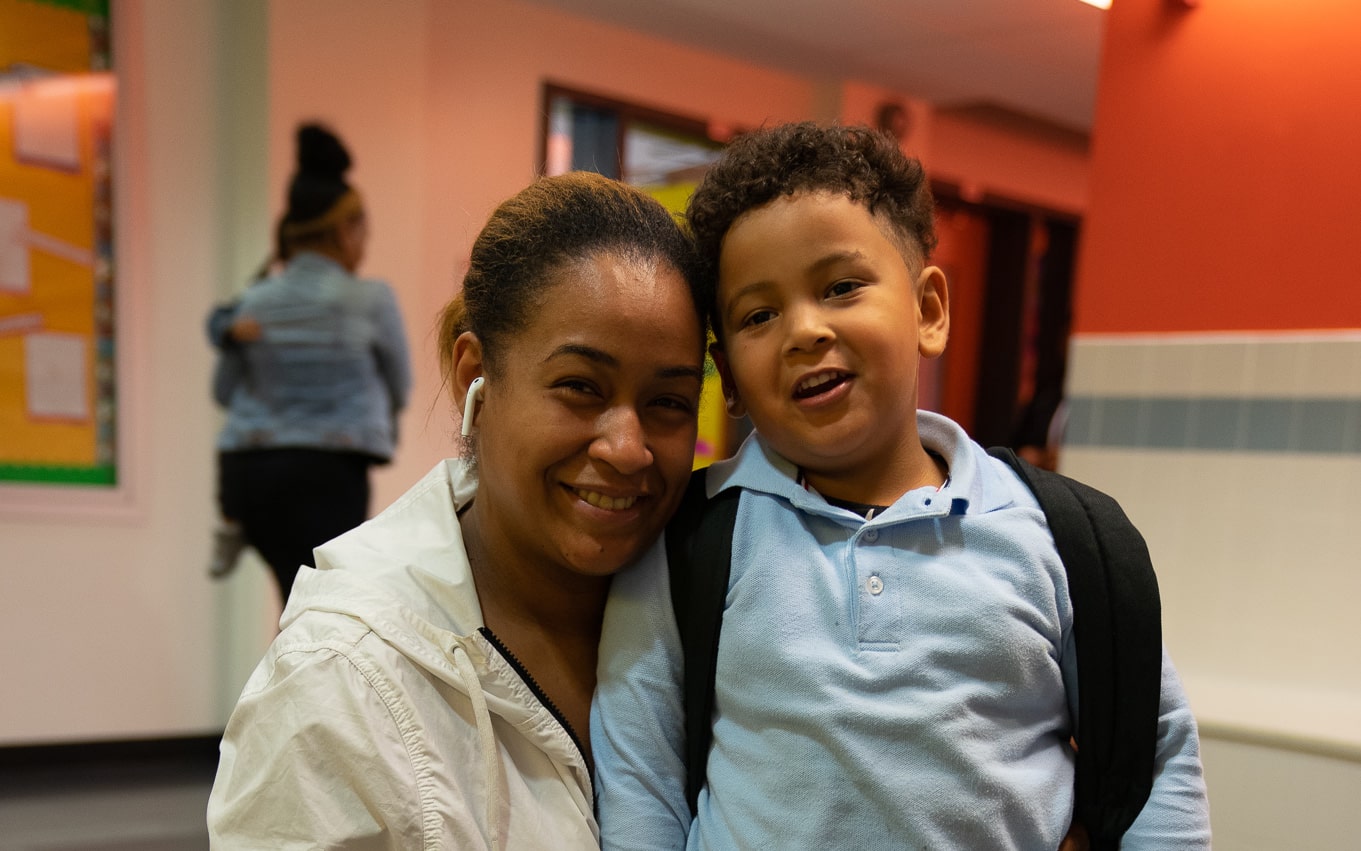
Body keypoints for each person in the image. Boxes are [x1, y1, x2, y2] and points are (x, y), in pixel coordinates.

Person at [591, 122, 1211, 849]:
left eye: (841, 286)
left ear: (928, 310)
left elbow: (1154, 754)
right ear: (726, 377)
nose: (804, 329)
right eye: (758, 314)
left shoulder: (1060, 537)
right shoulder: (685, 541)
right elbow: (640, 785)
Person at [207, 170, 708, 848]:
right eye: (579, 387)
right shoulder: (341, 681)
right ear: (475, 374)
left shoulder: (721, 605)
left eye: (669, 402)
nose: (627, 447)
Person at [213, 123, 411, 604]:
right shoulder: (371, 300)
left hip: (251, 474)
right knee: (322, 609)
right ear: (346, 230)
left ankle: (232, 527)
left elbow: (225, 390)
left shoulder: (255, 300)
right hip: (330, 477)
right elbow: (400, 386)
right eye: (363, 230)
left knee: (295, 602)